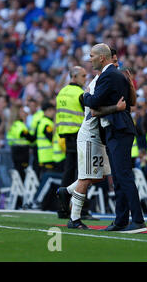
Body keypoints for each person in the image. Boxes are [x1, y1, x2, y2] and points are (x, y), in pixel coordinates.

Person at [83, 43, 146, 233]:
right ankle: (120, 220)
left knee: (123, 175)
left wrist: (84, 96)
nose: (90, 59)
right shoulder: (116, 74)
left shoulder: (109, 75)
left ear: (102, 58)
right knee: (118, 177)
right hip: (116, 129)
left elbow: (93, 102)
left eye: (92, 55)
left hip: (119, 129)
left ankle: (138, 220)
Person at [55, 66, 87, 219]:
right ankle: (81, 210)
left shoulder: (62, 92)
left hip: (66, 136)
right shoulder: (80, 93)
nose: (85, 78)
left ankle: (62, 208)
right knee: (83, 174)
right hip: (79, 136)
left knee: (68, 172)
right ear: (74, 77)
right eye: (83, 76)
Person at [6, 106, 35, 182]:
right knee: (22, 172)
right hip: (21, 151)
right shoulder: (19, 124)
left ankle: (18, 190)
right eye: (22, 112)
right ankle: (21, 192)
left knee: (18, 171)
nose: (25, 114)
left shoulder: (14, 124)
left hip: (16, 150)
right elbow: (29, 137)